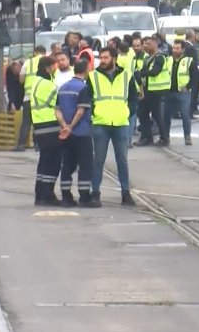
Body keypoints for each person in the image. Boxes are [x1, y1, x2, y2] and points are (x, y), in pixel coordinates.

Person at [89, 46, 136, 206]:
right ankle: (95, 193)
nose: (102, 61)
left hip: (121, 122)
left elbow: (133, 98)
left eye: (105, 58)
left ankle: (125, 193)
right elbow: (88, 99)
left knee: (122, 160)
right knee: (98, 160)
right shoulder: (93, 76)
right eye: (100, 58)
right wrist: (93, 113)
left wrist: (128, 112)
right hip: (100, 123)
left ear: (114, 59)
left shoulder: (127, 76)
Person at [56, 59, 94, 206]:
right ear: (86, 70)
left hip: (66, 135)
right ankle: (84, 197)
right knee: (85, 165)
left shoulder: (63, 87)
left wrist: (64, 126)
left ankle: (66, 196)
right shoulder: (83, 88)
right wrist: (71, 126)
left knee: (67, 165)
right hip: (81, 132)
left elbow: (57, 110)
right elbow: (80, 110)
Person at [30, 56, 61, 204]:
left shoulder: (36, 81)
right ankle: (47, 194)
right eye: (54, 66)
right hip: (50, 126)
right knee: (53, 162)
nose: (56, 69)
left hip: (39, 125)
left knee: (44, 162)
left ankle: (40, 193)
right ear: (47, 68)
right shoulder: (48, 85)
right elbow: (58, 104)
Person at [134, 36, 170, 146]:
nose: (145, 46)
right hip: (147, 90)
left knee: (156, 115)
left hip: (156, 91)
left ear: (155, 44)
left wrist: (141, 73)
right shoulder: (148, 58)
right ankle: (147, 137)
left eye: (148, 44)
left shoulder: (160, 57)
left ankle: (164, 138)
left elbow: (155, 72)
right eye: (144, 43)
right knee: (142, 113)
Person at [163, 40, 194, 145]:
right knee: (166, 116)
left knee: (185, 115)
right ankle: (165, 137)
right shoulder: (168, 60)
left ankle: (187, 137)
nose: (175, 50)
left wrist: (188, 87)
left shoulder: (188, 61)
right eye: (173, 48)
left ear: (183, 49)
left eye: (177, 48)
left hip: (183, 93)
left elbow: (195, 76)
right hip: (169, 92)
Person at [16, 45, 46, 151]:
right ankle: (38, 144)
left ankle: (20, 145)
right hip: (42, 98)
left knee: (26, 122)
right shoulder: (46, 62)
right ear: (44, 53)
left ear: (35, 52)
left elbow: (21, 79)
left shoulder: (28, 62)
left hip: (28, 97)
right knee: (39, 122)